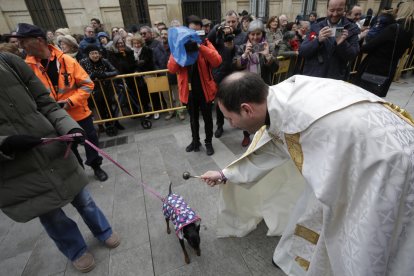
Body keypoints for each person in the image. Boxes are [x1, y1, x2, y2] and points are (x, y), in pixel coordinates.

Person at [201, 71, 414, 276]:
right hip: (394, 136)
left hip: (387, 167)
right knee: (313, 206)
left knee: (357, 235)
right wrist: (225, 174)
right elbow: (271, 144)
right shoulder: (284, 96)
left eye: (230, 118)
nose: (232, 124)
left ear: (246, 109)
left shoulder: (303, 120)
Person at [0, 52, 120, 273]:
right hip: (16, 167)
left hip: (50, 149)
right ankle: (76, 250)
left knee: (84, 198)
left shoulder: (8, 61)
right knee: (51, 215)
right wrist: (4, 144)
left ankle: (103, 231)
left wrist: (70, 127)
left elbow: (46, 103)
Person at [14, 23, 109, 182]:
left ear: (39, 40)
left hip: (79, 112)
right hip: (53, 118)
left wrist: (70, 101)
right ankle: (78, 171)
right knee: (68, 147)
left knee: (90, 141)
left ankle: (96, 166)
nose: (20, 44)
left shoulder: (66, 60)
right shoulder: (25, 67)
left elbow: (87, 84)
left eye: (24, 40)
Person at [167, 16, 222, 156]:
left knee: (208, 118)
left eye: (197, 32)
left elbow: (217, 61)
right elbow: (172, 69)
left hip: (205, 91)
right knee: (192, 119)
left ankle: (208, 142)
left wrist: (200, 47)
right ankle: (195, 141)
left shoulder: (205, 43)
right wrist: (179, 49)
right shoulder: (179, 45)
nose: (194, 36)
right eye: (191, 32)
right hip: (189, 91)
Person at [233, 19, 278, 147]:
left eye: (258, 34)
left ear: (262, 34)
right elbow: (235, 65)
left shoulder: (268, 47)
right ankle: (247, 135)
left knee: (265, 112)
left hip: (263, 86)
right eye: (252, 34)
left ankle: (264, 136)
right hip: (246, 87)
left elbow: (275, 68)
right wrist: (244, 55)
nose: (255, 37)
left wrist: (268, 56)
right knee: (246, 113)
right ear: (248, 35)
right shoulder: (242, 47)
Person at [353, 2, 413, 97]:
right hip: (389, 69)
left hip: (374, 69)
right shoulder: (409, 30)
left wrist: (362, 41)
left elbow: (368, 47)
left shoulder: (394, 28)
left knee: (362, 96)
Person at [207, 10, 247, 139]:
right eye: (228, 21)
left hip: (237, 73)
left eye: (233, 21)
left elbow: (242, 52)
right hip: (220, 73)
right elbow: (208, 40)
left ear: (238, 21)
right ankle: (220, 125)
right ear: (225, 22)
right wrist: (217, 29)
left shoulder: (243, 35)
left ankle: (242, 125)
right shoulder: (219, 33)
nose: (230, 24)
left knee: (239, 101)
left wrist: (232, 45)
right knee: (220, 103)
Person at [299, 0, 360, 80]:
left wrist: (342, 44)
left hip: (335, 80)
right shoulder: (317, 26)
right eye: (332, 10)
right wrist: (317, 40)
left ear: (345, 8)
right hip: (313, 78)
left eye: (339, 10)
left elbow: (353, 55)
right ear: (327, 9)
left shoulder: (351, 28)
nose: (335, 14)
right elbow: (303, 51)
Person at [80, 44, 124, 135]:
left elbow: (115, 71)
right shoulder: (84, 63)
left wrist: (104, 74)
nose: (95, 55)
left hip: (107, 88)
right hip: (95, 91)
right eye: (92, 54)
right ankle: (108, 125)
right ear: (89, 55)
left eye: (96, 53)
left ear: (99, 54)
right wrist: (92, 76)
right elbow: (81, 77)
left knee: (110, 107)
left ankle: (115, 123)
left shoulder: (104, 61)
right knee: (100, 109)